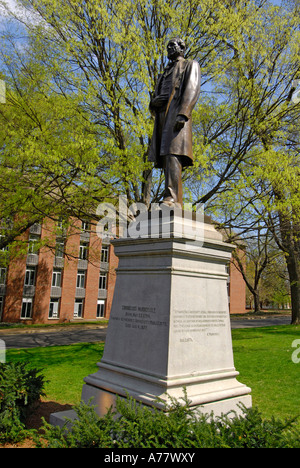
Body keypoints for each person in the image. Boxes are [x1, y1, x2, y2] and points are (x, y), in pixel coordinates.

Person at [149, 37, 201, 207]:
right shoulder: (164, 72)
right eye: (168, 46)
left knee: (173, 155)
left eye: (173, 45)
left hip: (176, 116)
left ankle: (172, 197)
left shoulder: (189, 65)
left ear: (182, 47)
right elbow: (157, 95)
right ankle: (171, 196)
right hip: (162, 118)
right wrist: (153, 103)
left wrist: (183, 114)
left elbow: (192, 89)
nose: (170, 48)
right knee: (165, 157)